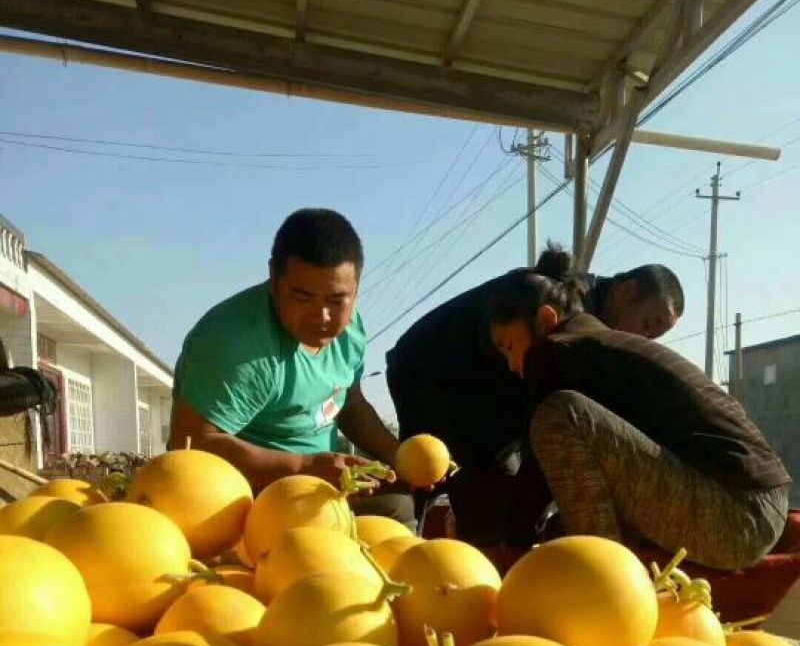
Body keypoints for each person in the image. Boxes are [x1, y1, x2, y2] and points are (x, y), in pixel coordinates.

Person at [385, 245, 684, 549]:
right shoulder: (570, 310)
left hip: (470, 381)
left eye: (653, 337)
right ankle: (425, 557)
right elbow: (544, 415)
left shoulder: (583, 318)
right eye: (647, 325)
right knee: (439, 470)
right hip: (434, 369)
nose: (642, 340)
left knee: (495, 487)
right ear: (627, 292)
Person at [488, 275, 790, 571]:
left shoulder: (557, 349)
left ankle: (607, 583)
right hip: (754, 508)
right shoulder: (597, 344)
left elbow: (533, 482)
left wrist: (505, 557)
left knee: (558, 416)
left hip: (738, 514)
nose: (513, 366)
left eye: (510, 348)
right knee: (559, 532)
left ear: (545, 319)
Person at [170, 208, 413, 526]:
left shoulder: (350, 330)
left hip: (323, 482)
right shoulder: (234, 343)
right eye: (303, 297)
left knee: (398, 504)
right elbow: (191, 445)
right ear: (274, 277)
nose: (322, 317)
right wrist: (301, 467)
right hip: (246, 494)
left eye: (337, 300)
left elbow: (349, 403)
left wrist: (399, 458)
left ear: (356, 288)